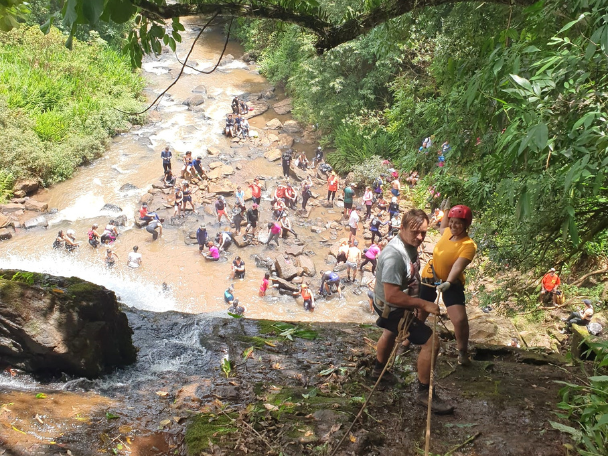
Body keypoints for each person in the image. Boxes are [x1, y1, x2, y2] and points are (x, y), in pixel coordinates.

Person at [372, 208, 454, 414]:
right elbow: (392, 295)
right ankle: (424, 394)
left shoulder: (407, 245)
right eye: (415, 232)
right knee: (432, 342)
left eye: (424, 233)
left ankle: (377, 371)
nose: (419, 237)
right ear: (402, 228)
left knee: (390, 332)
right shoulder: (393, 257)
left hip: (389, 305)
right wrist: (422, 304)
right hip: (391, 307)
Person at [420, 205, 477, 367]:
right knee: (420, 312)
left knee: (459, 319)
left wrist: (449, 282)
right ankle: (406, 342)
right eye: (452, 222)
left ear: (466, 224)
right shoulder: (446, 232)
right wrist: (446, 210)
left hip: (451, 282)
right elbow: (444, 225)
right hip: (430, 276)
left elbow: (458, 266)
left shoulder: (468, 245)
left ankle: (462, 352)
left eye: (458, 223)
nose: (453, 226)